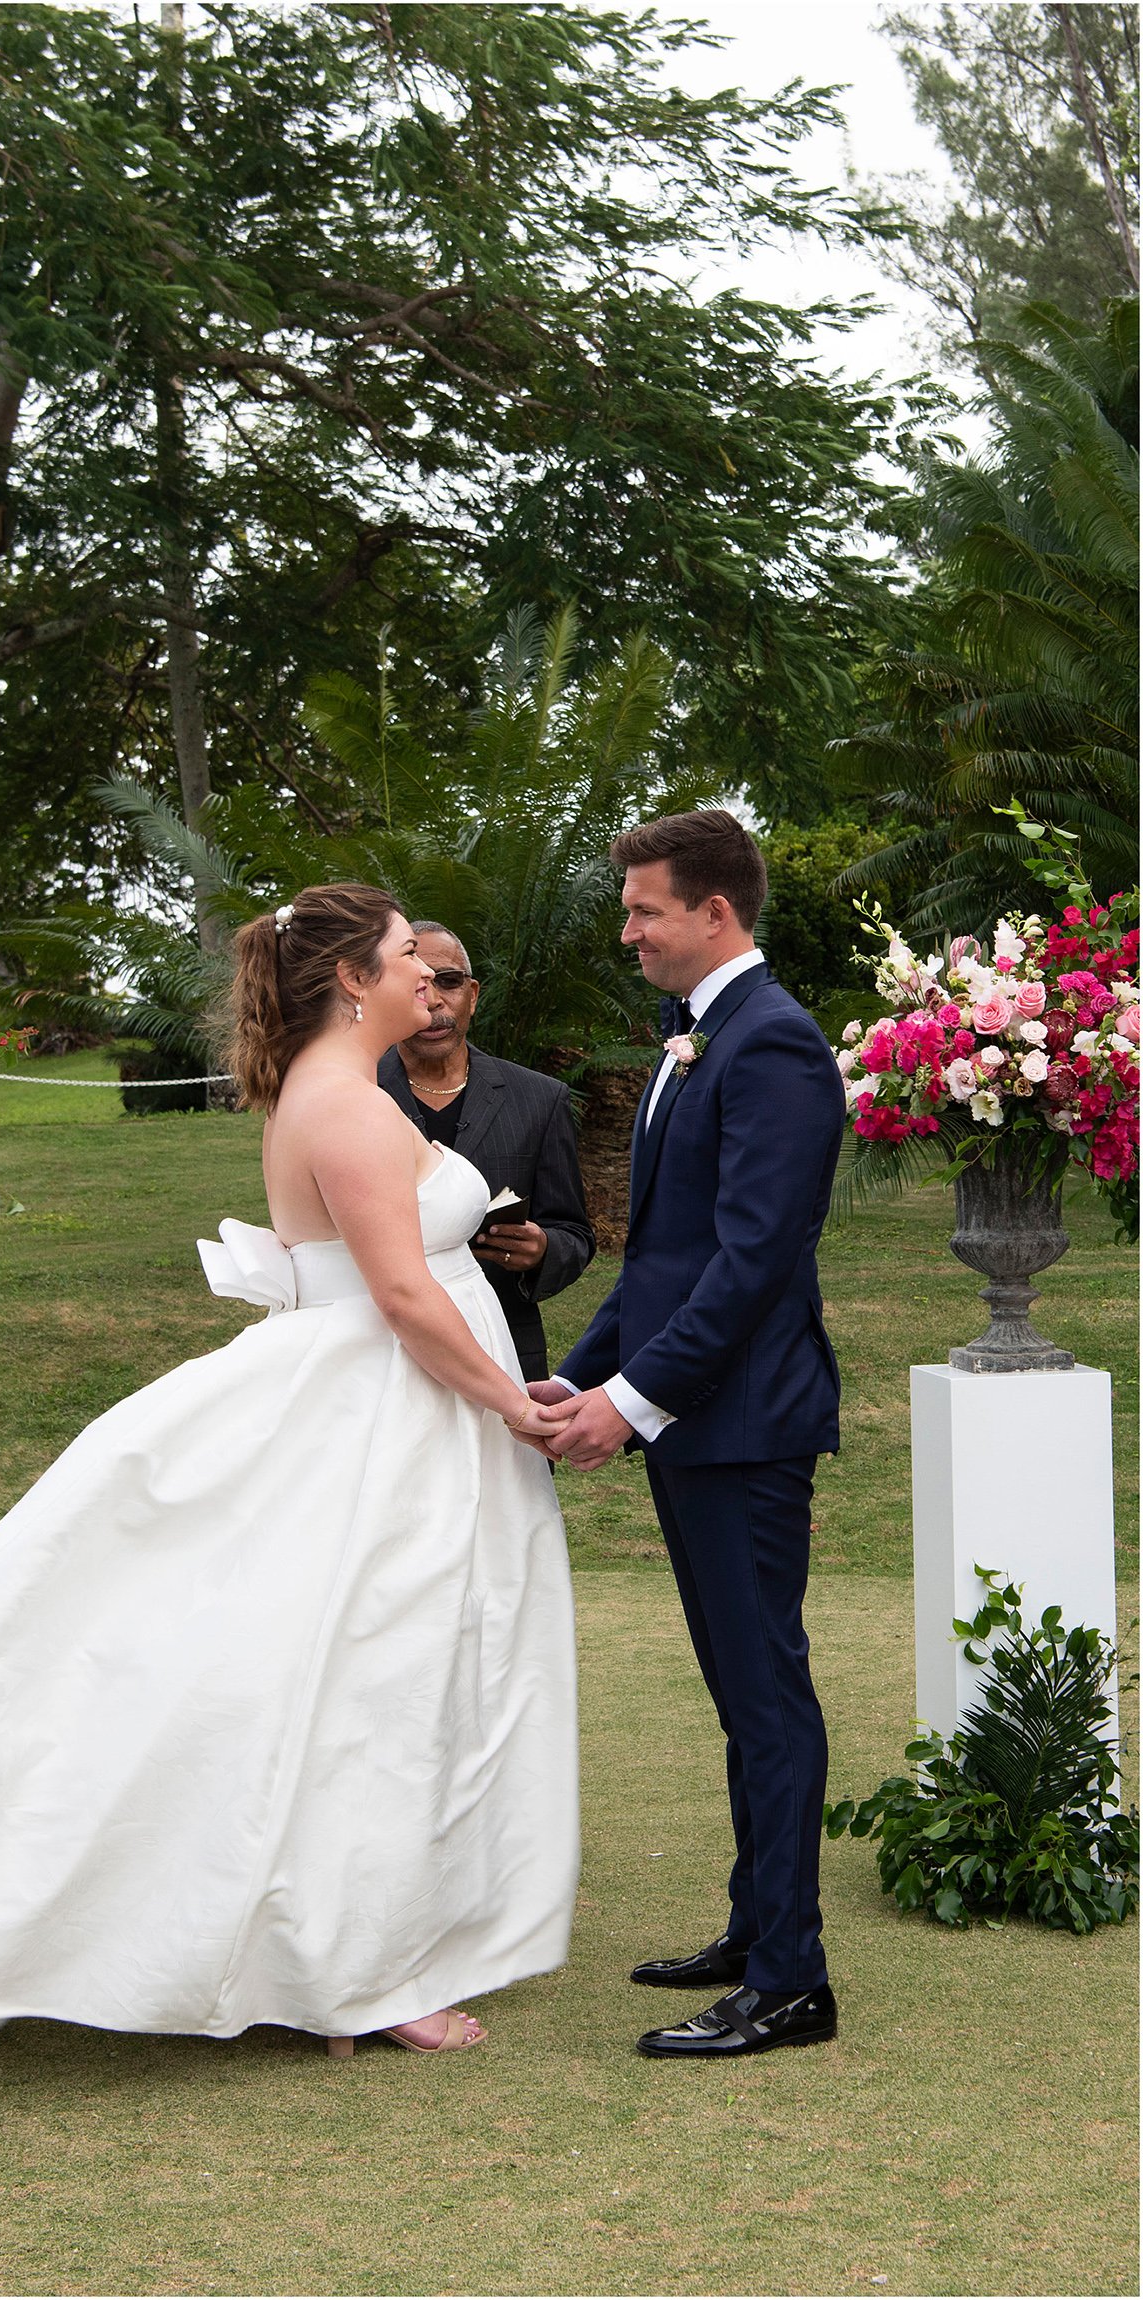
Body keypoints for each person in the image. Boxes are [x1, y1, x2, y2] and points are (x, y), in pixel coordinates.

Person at [0, 885, 579, 2136]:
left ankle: (371, 1927)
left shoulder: (342, 1085)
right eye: (411, 955)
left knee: (365, 1673)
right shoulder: (343, 1100)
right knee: (362, 1676)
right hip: (377, 1412)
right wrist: (513, 1409)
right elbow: (404, 1297)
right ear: (354, 977)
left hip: (399, 1411)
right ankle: (354, 1967)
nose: (432, 974)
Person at [534, 809, 845, 2061]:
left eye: (644, 907)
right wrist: (565, 1383)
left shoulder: (773, 1043)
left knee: (767, 1693)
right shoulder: (693, 1039)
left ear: (716, 911)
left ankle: (791, 1980)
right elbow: (660, 1263)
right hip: (695, 1418)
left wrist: (631, 1402)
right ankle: (753, 1920)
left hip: (746, 1422)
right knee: (740, 1689)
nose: (628, 929)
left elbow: (754, 1263)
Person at [377, 922, 596, 1381]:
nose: (434, 1000)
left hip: (504, 1351)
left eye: (449, 981)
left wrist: (542, 1250)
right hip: (379, 1352)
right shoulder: (354, 1092)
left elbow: (574, 1233)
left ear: (472, 995)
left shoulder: (540, 1099)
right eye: (417, 984)